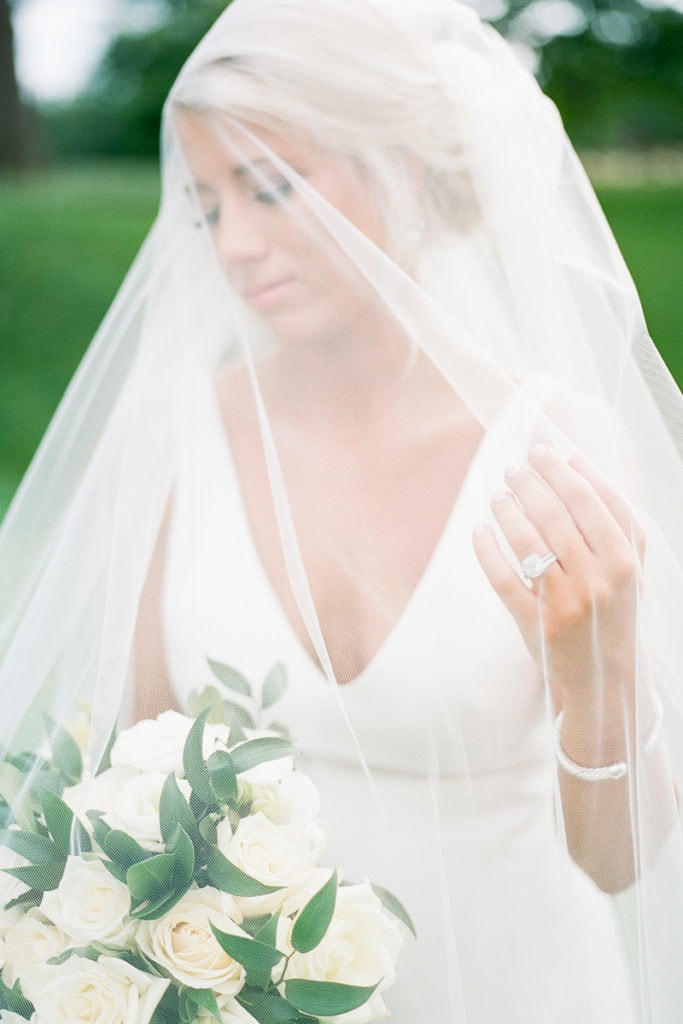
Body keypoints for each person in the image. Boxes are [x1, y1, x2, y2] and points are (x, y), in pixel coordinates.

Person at [1, 0, 683, 1020]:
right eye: (205, 207)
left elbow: (618, 860)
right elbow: (136, 785)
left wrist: (599, 664)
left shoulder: (560, 451)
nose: (232, 245)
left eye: (271, 188)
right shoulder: (171, 434)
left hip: (519, 986)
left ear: (405, 170)